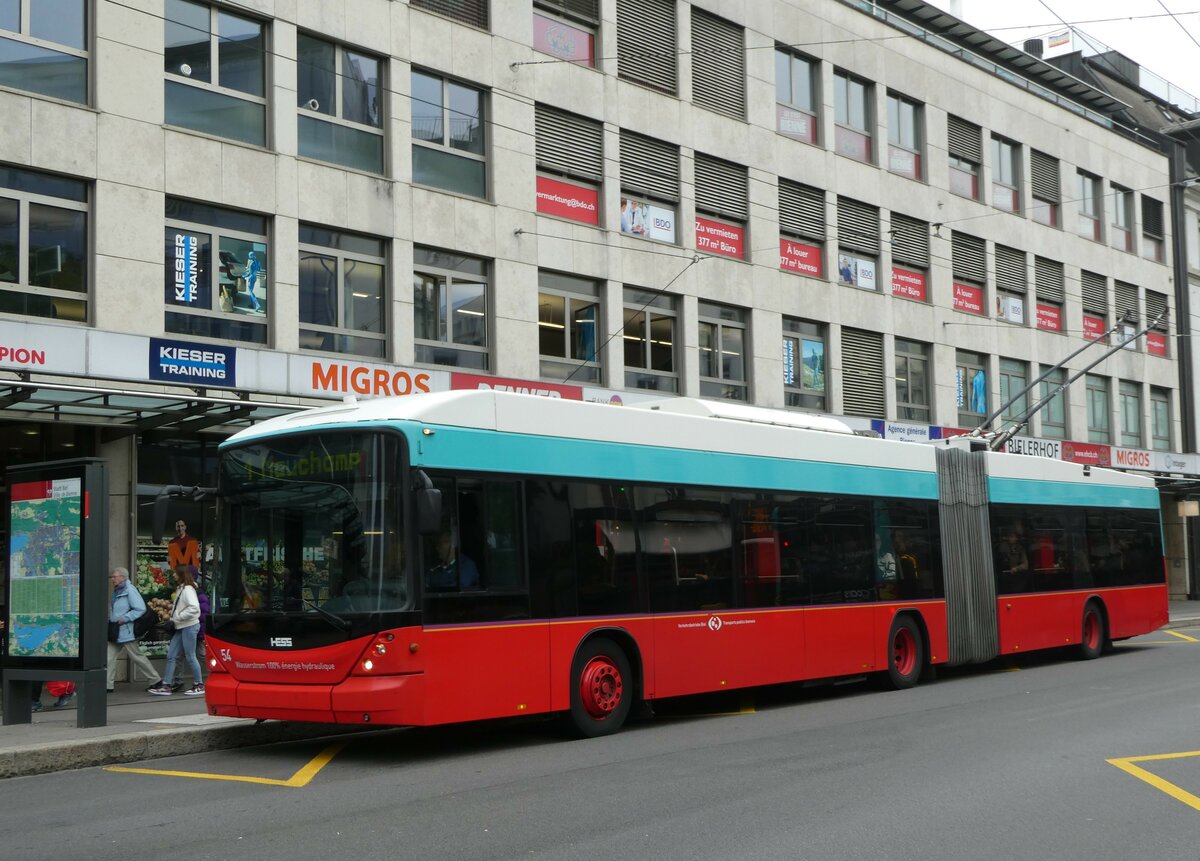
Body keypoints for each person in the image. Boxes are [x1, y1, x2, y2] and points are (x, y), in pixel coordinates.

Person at [147, 565, 205, 697]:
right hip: (182, 625)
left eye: (175, 573)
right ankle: (166, 685)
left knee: (190, 656)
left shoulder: (187, 589)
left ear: (181, 574)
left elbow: (194, 609)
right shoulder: (182, 588)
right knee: (172, 655)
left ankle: (199, 684)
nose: (173, 575)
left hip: (188, 626)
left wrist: (177, 617)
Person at [107, 566, 163, 694]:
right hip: (116, 630)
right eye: (112, 577)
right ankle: (107, 685)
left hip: (126, 630)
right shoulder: (117, 591)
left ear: (122, 577)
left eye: (114, 576)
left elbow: (140, 608)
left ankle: (155, 680)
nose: (112, 579)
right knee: (108, 657)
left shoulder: (129, 590)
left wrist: (125, 618)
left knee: (137, 657)